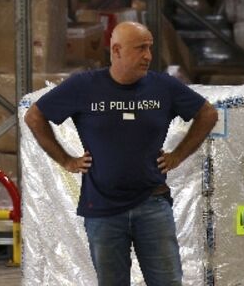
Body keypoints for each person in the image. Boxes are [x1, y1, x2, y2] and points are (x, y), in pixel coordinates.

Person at [23, 21, 219, 286]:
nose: (148, 55)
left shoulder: (163, 87)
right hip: (102, 209)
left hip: (152, 204)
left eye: (150, 48)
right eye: (140, 48)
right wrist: (66, 160)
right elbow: (35, 116)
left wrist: (178, 155)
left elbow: (207, 113)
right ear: (116, 50)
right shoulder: (84, 86)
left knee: (168, 282)